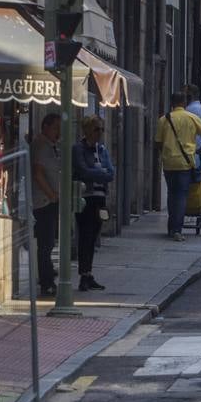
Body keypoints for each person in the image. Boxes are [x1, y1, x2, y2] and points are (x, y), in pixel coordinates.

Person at [155, 91, 201, 242]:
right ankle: (176, 230)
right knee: (181, 196)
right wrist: (199, 150)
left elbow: (158, 142)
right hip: (185, 163)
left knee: (172, 194)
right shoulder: (192, 118)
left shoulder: (164, 120)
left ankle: (171, 225)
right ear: (184, 103)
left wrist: (165, 152)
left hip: (169, 163)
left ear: (172, 103)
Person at [72, 115, 114, 292]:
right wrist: (100, 172)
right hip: (85, 198)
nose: (100, 133)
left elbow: (111, 173)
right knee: (85, 236)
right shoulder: (79, 149)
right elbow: (82, 171)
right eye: (97, 129)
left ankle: (88, 274)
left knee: (94, 237)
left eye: (102, 129)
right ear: (87, 129)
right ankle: (83, 275)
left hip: (100, 197)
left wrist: (99, 172)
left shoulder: (102, 150)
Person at [30, 112, 61, 298]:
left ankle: (48, 275)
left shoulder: (51, 146)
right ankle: (46, 281)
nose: (59, 132)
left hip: (49, 201)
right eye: (56, 127)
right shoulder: (41, 145)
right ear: (46, 127)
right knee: (45, 243)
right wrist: (52, 196)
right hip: (43, 201)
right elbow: (38, 173)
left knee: (49, 243)